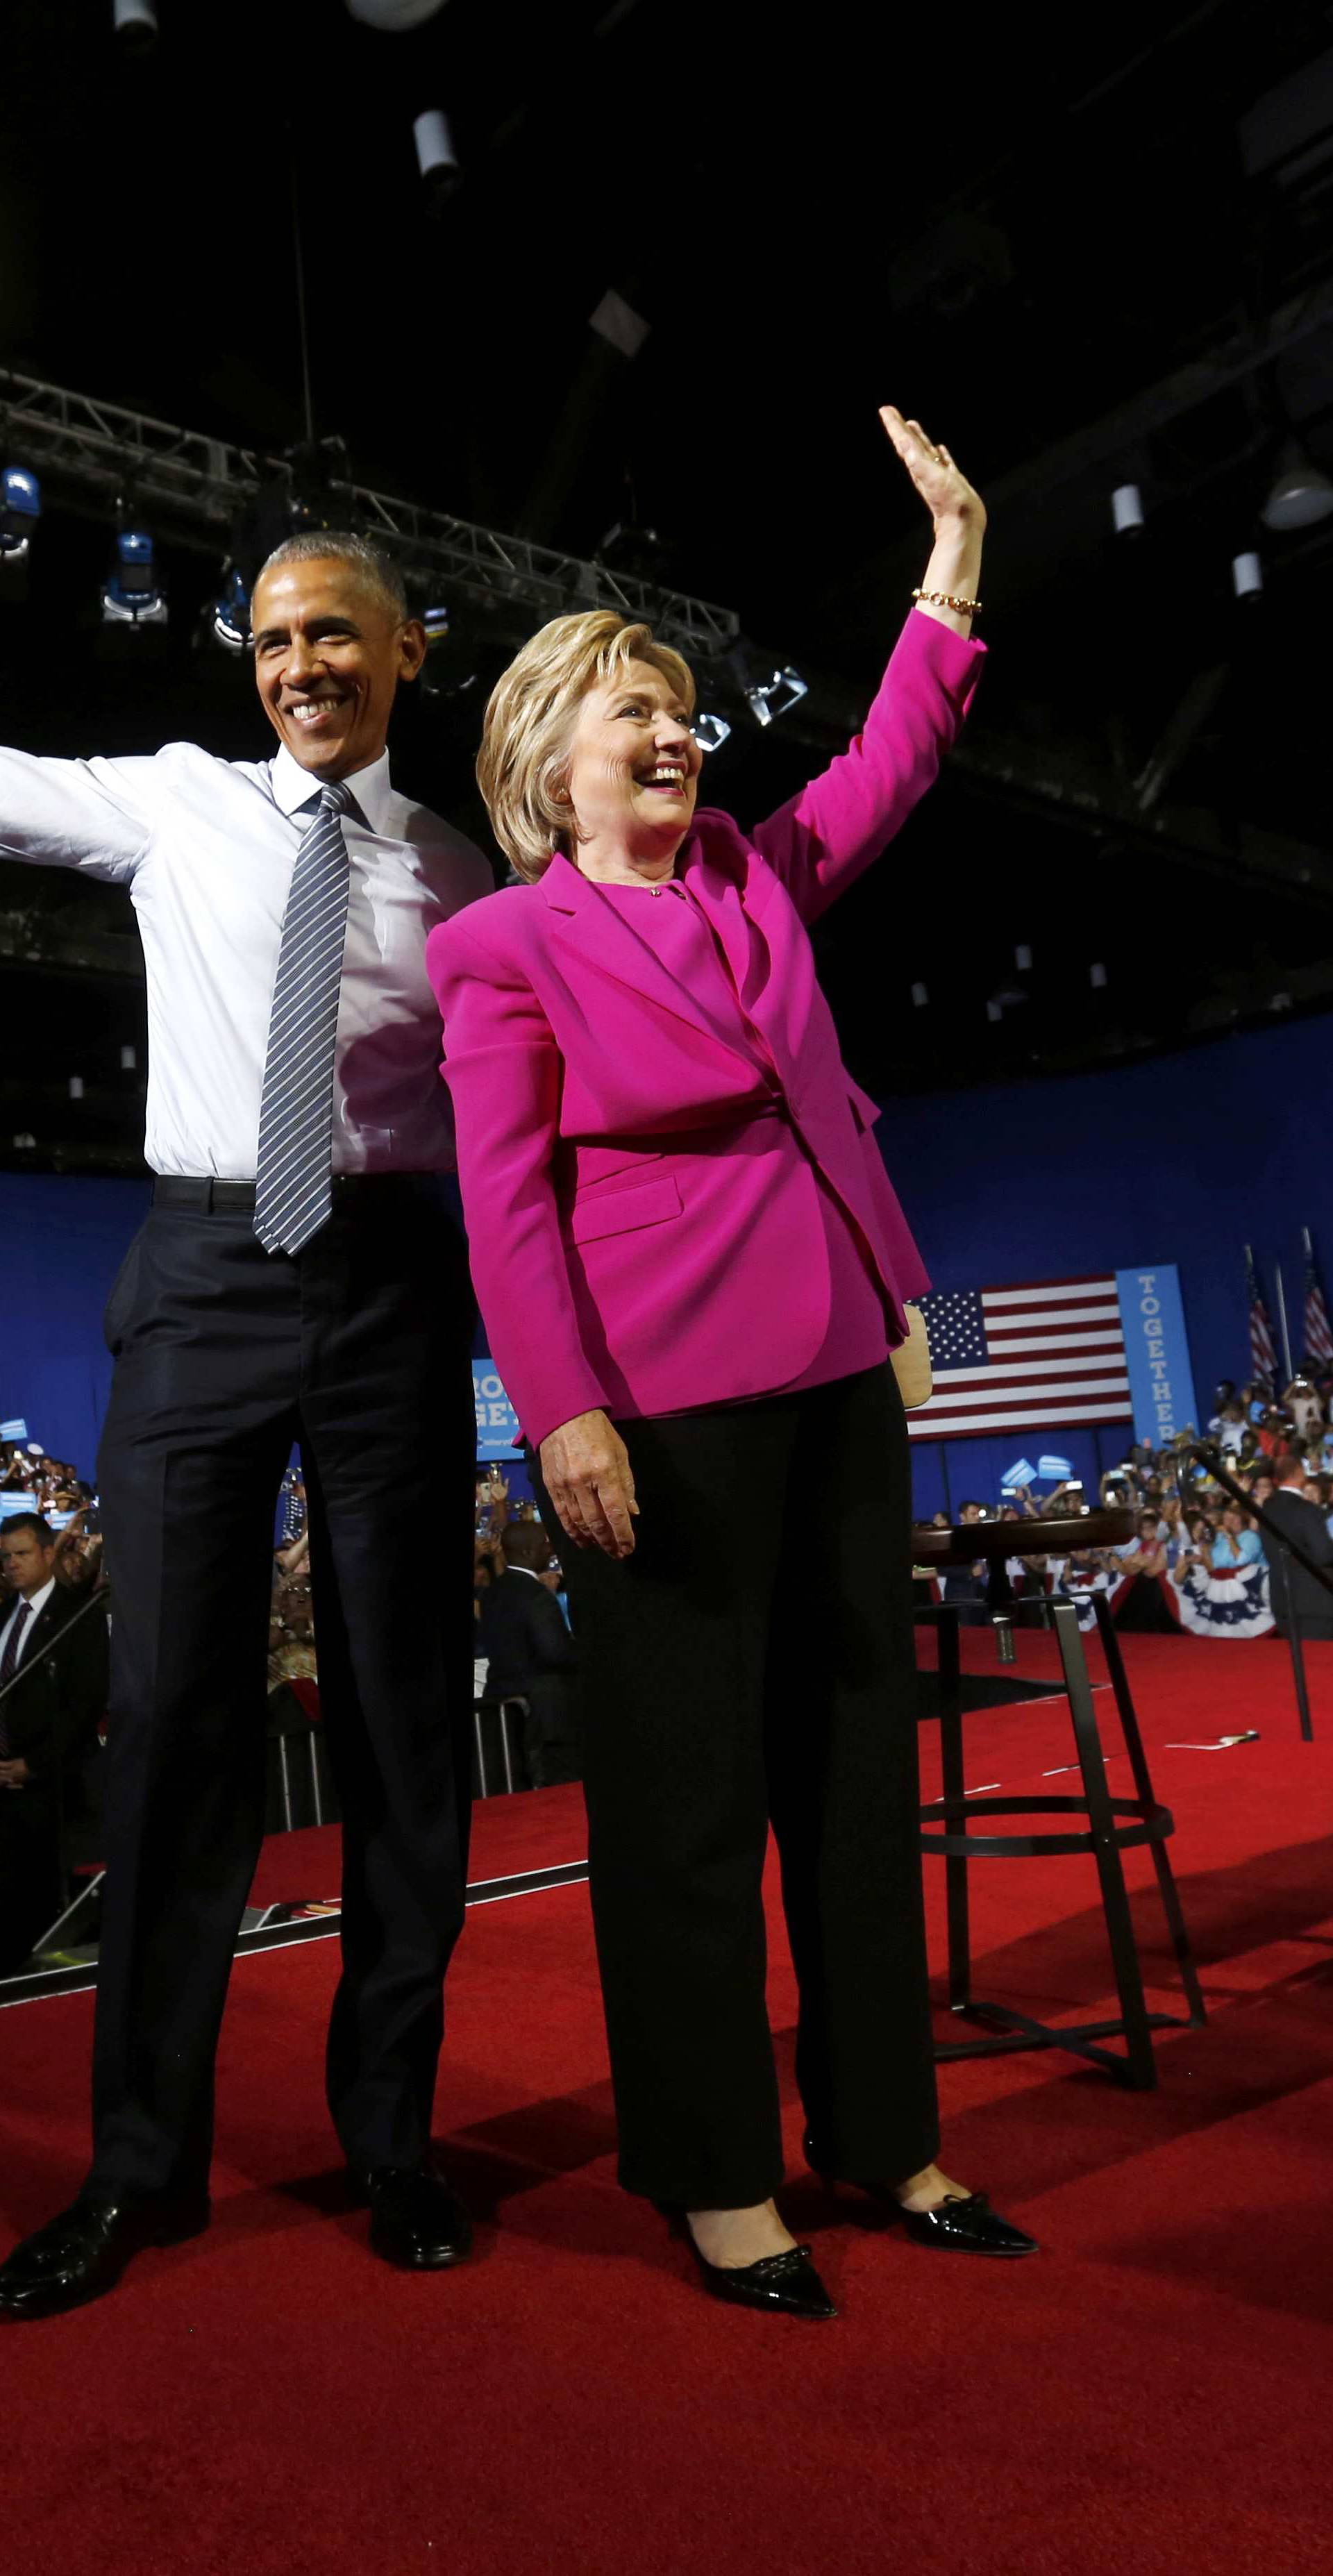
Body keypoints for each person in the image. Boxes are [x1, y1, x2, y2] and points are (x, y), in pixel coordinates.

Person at [428, 406, 1035, 2323]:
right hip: (660, 1406)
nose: (680, 732)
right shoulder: (504, 947)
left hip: (846, 1361)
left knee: (857, 1768)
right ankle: (718, 2169)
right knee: (687, 1801)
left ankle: (887, 2135)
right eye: (637, 711)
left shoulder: (761, 879)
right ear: (550, 754)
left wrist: (952, 560)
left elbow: (896, 756)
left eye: (686, 707)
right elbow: (507, 1199)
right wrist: (562, 1411)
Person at [0, 533, 491, 2323]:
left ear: (406, 652)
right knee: (171, 1730)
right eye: (276, 638)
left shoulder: (458, 869)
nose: (301, 664)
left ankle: (392, 2143)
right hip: (202, 1275)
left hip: (388, 1288)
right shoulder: (174, 805)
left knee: (398, 1731)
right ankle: (138, 2170)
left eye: (335, 635)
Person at [0, 1515, 110, 1975]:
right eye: (5, 1557)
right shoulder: (5, 1614)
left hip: (51, 1785)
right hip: (3, 1781)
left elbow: (84, 1706)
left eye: (21, 1554)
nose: (11, 1564)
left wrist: (34, 1764)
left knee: (41, 1895)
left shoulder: (74, 1616)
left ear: (48, 1553)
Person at [477, 1520, 580, 1787]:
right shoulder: (536, 1595)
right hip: (546, 1713)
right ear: (527, 1552)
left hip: (505, 1708)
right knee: (560, 1791)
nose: (551, 1550)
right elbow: (555, 1653)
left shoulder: (492, 1593)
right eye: (545, 1544)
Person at [1259, 1452, 1333, 1641]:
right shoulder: (1307, 1510)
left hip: (1281, 1597)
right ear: (1300, 1473)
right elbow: (1324, 1555)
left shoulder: (1267, 1508)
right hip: (1314, 1601)